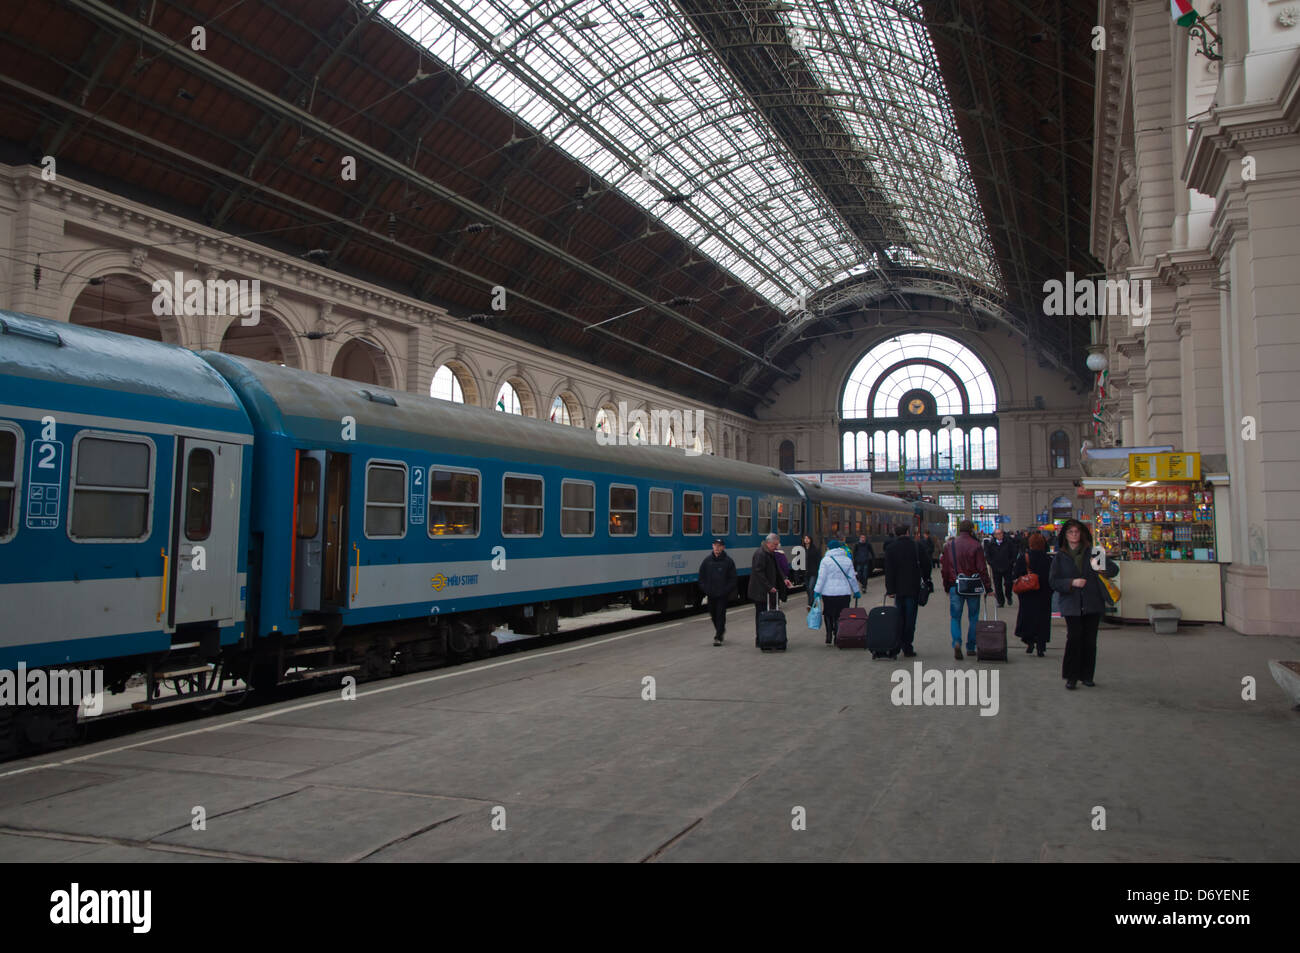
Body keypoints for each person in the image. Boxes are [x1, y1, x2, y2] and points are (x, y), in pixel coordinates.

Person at [1049, 519, 1119, 689]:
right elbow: (1053, 581)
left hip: (1092, 602)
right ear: (1065, 535)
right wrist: (1072, 582)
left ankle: (1087, 675)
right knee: (1074, 639)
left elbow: (1113, 570)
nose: (1074, 535)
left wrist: (1101, 567)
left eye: (1077, 532)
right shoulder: (1060, 557)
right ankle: (1071, 677)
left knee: (1089, 640)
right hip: (1072, 603)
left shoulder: (1093, 553)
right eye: (1071, 532)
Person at [940, 520, 993, 660]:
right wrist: (988, 588)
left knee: (955, 617)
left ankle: (957, 642)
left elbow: (944, 569)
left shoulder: (949, 545)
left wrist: (946, 586)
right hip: (973, 587)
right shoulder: (976, 545)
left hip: (955, 585)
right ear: (971, 530)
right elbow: (982, 569)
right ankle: (971, 647)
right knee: (974, 617)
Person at [884, 524, 930, 659]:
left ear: (896, 533)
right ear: (908, 532)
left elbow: (889, 571)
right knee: (910, 619)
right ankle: (907, 646)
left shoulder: (890, 548)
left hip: (898, 590)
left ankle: (896, 646)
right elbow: (927, 565)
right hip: (913, 589)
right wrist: (926, 579)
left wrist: (890, 590)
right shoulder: (916, 546)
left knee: (899, 618)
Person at [1012, 532, 1053, 656]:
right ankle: (1041, 647)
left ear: (1030, 544)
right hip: (1044, 594)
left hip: (1027, 593)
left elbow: (1016, 574)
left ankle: (1029, 642)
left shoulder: (1024, 558)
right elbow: (1052, 577)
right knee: (1043, 619)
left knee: (1028, 617)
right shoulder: (1048, 559)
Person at [813, 541, 860, 646]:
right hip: (844, 593)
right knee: (841, 615)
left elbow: (821, 578)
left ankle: (829, 634)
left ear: (829, 548)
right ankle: (838, 635)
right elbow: (852, 577)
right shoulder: (847, 560)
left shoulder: (825, 560)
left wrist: (817, 591)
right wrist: (856, 591)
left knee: (828, 614)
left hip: (828, 593)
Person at [698, 538, 737, 646]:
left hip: (722, 595)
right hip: (711, 594)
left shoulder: (728, 561)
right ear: (712, 546)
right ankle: (720, 629)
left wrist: (726, 590)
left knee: (720, 614)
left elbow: (733, 579)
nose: (717, 548)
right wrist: (705, 589)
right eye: (715, 545)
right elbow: (701, 577)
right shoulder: (707, 561)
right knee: (713, 614)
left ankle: (718, 636)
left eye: (719, 546)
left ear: (723, 547)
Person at [748, 533, 784, 646]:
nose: (777, 547)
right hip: (760, 592)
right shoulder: (761, 554)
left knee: (765, 615)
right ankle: (760, 639)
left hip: (766, 592)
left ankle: (766, 637)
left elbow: (777, 568)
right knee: (761, 615)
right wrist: (769, 586)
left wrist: (784, 579)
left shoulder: (769, 553)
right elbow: (759, 573)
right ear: (768, 543)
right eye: (775, 544)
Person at [983, 528, 1018, 608]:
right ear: (995, 535)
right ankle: (1000, 601)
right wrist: (991, 563)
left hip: (1007, 567)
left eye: (1000, 533)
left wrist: (1011, 562)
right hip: (996, 567)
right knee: (997, 585)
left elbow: (1014, 553)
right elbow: (988, 555)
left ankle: (1008, 596)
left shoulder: (1008, 542)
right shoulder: (991, 544)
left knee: (1008, 583)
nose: (999, 535)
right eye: (997, 534)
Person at [800, 534, 822, 608]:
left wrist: (818, 570)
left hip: (813, 572)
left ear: (810, 540)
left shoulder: (815, 549)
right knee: (807, 589)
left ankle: (811, 603)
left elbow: (818, 560)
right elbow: (799, 562)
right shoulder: (801, 550)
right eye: (805, 538)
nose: (806, 540)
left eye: (807, 538)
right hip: (805, 572)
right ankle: (812, 601)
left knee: (811, 587)